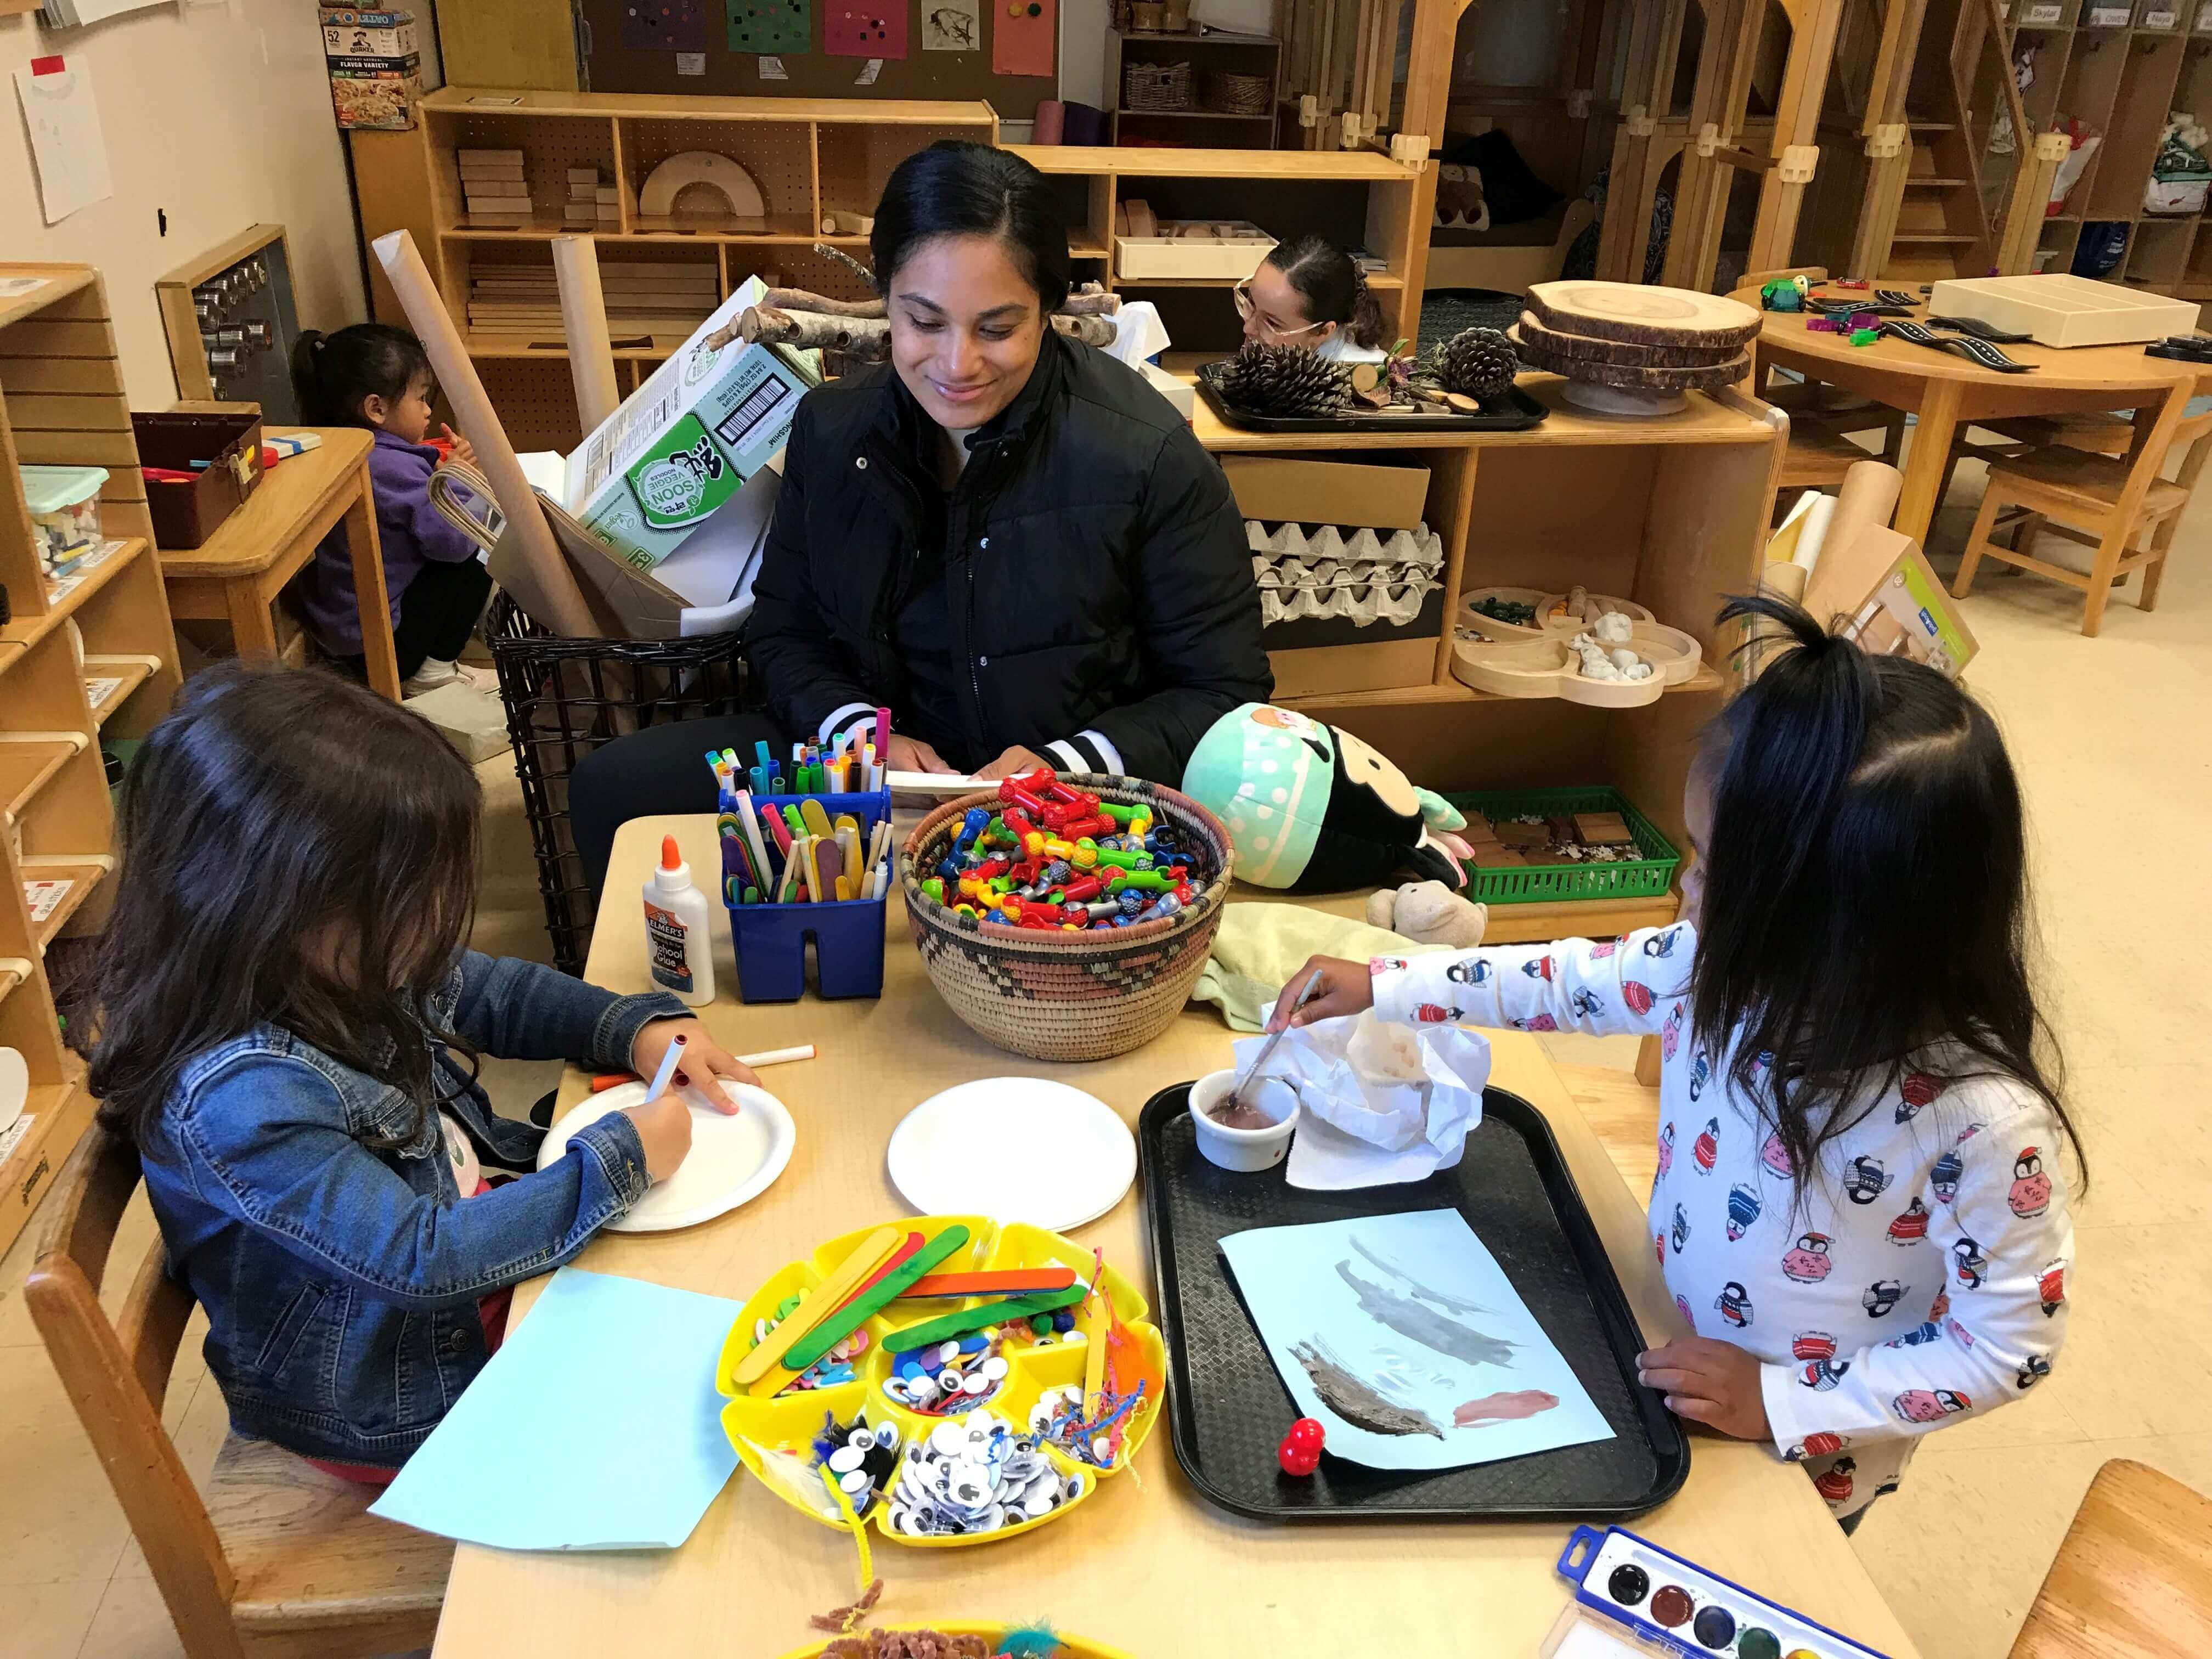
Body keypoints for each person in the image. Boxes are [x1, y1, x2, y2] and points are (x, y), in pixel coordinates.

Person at [1268, 597, 2080, 1531]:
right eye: (1694, 854)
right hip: (1661, 1322)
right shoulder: (1711, 966)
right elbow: (1561, 979)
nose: (1679, 888)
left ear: (1854, 931)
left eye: (1712, 874)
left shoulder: (1980, 1123)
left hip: (1805, 1447)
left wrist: (1782, 1401)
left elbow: (2008, 1344)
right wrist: (1390, 982)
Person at [81, 664, 757, 1480]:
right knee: (709, 1404)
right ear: (270, 901)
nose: (439, 927)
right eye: (412, 902)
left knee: (723, 1285)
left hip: (459, 1270)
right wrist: (620, 1160)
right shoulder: (241, 1098)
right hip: (400, 1394)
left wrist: (631, 1027)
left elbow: (494, 992)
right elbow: (418, 1259)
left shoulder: (331, 960)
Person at [565, 140, 1270, 896]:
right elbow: (784, 630)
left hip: (1072, 804)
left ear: (1048, 312)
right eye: (923, 321)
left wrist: (1067, 764)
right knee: (616, 788)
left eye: (997, 329)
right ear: (885, 300)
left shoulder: (1148, 456)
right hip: (875, 773)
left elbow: (1224, 692)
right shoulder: (833, 431)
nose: (956, 364)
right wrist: (862, 735)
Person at [290, 323, 494, 697]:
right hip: (383, 646)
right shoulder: (391, 467)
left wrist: (443, 471)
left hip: (344, 628)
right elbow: (452, 543)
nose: (429, 410)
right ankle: (429, 673)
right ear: (376, 409)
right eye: (421, 398)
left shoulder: (348, 448)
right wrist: (458, 481)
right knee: (478, 558)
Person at [1236, 234, 1390, 365]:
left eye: (1272, 323)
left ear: (1323, 331)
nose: (1248, 328)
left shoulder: (1360, 383)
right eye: (1251, 303)